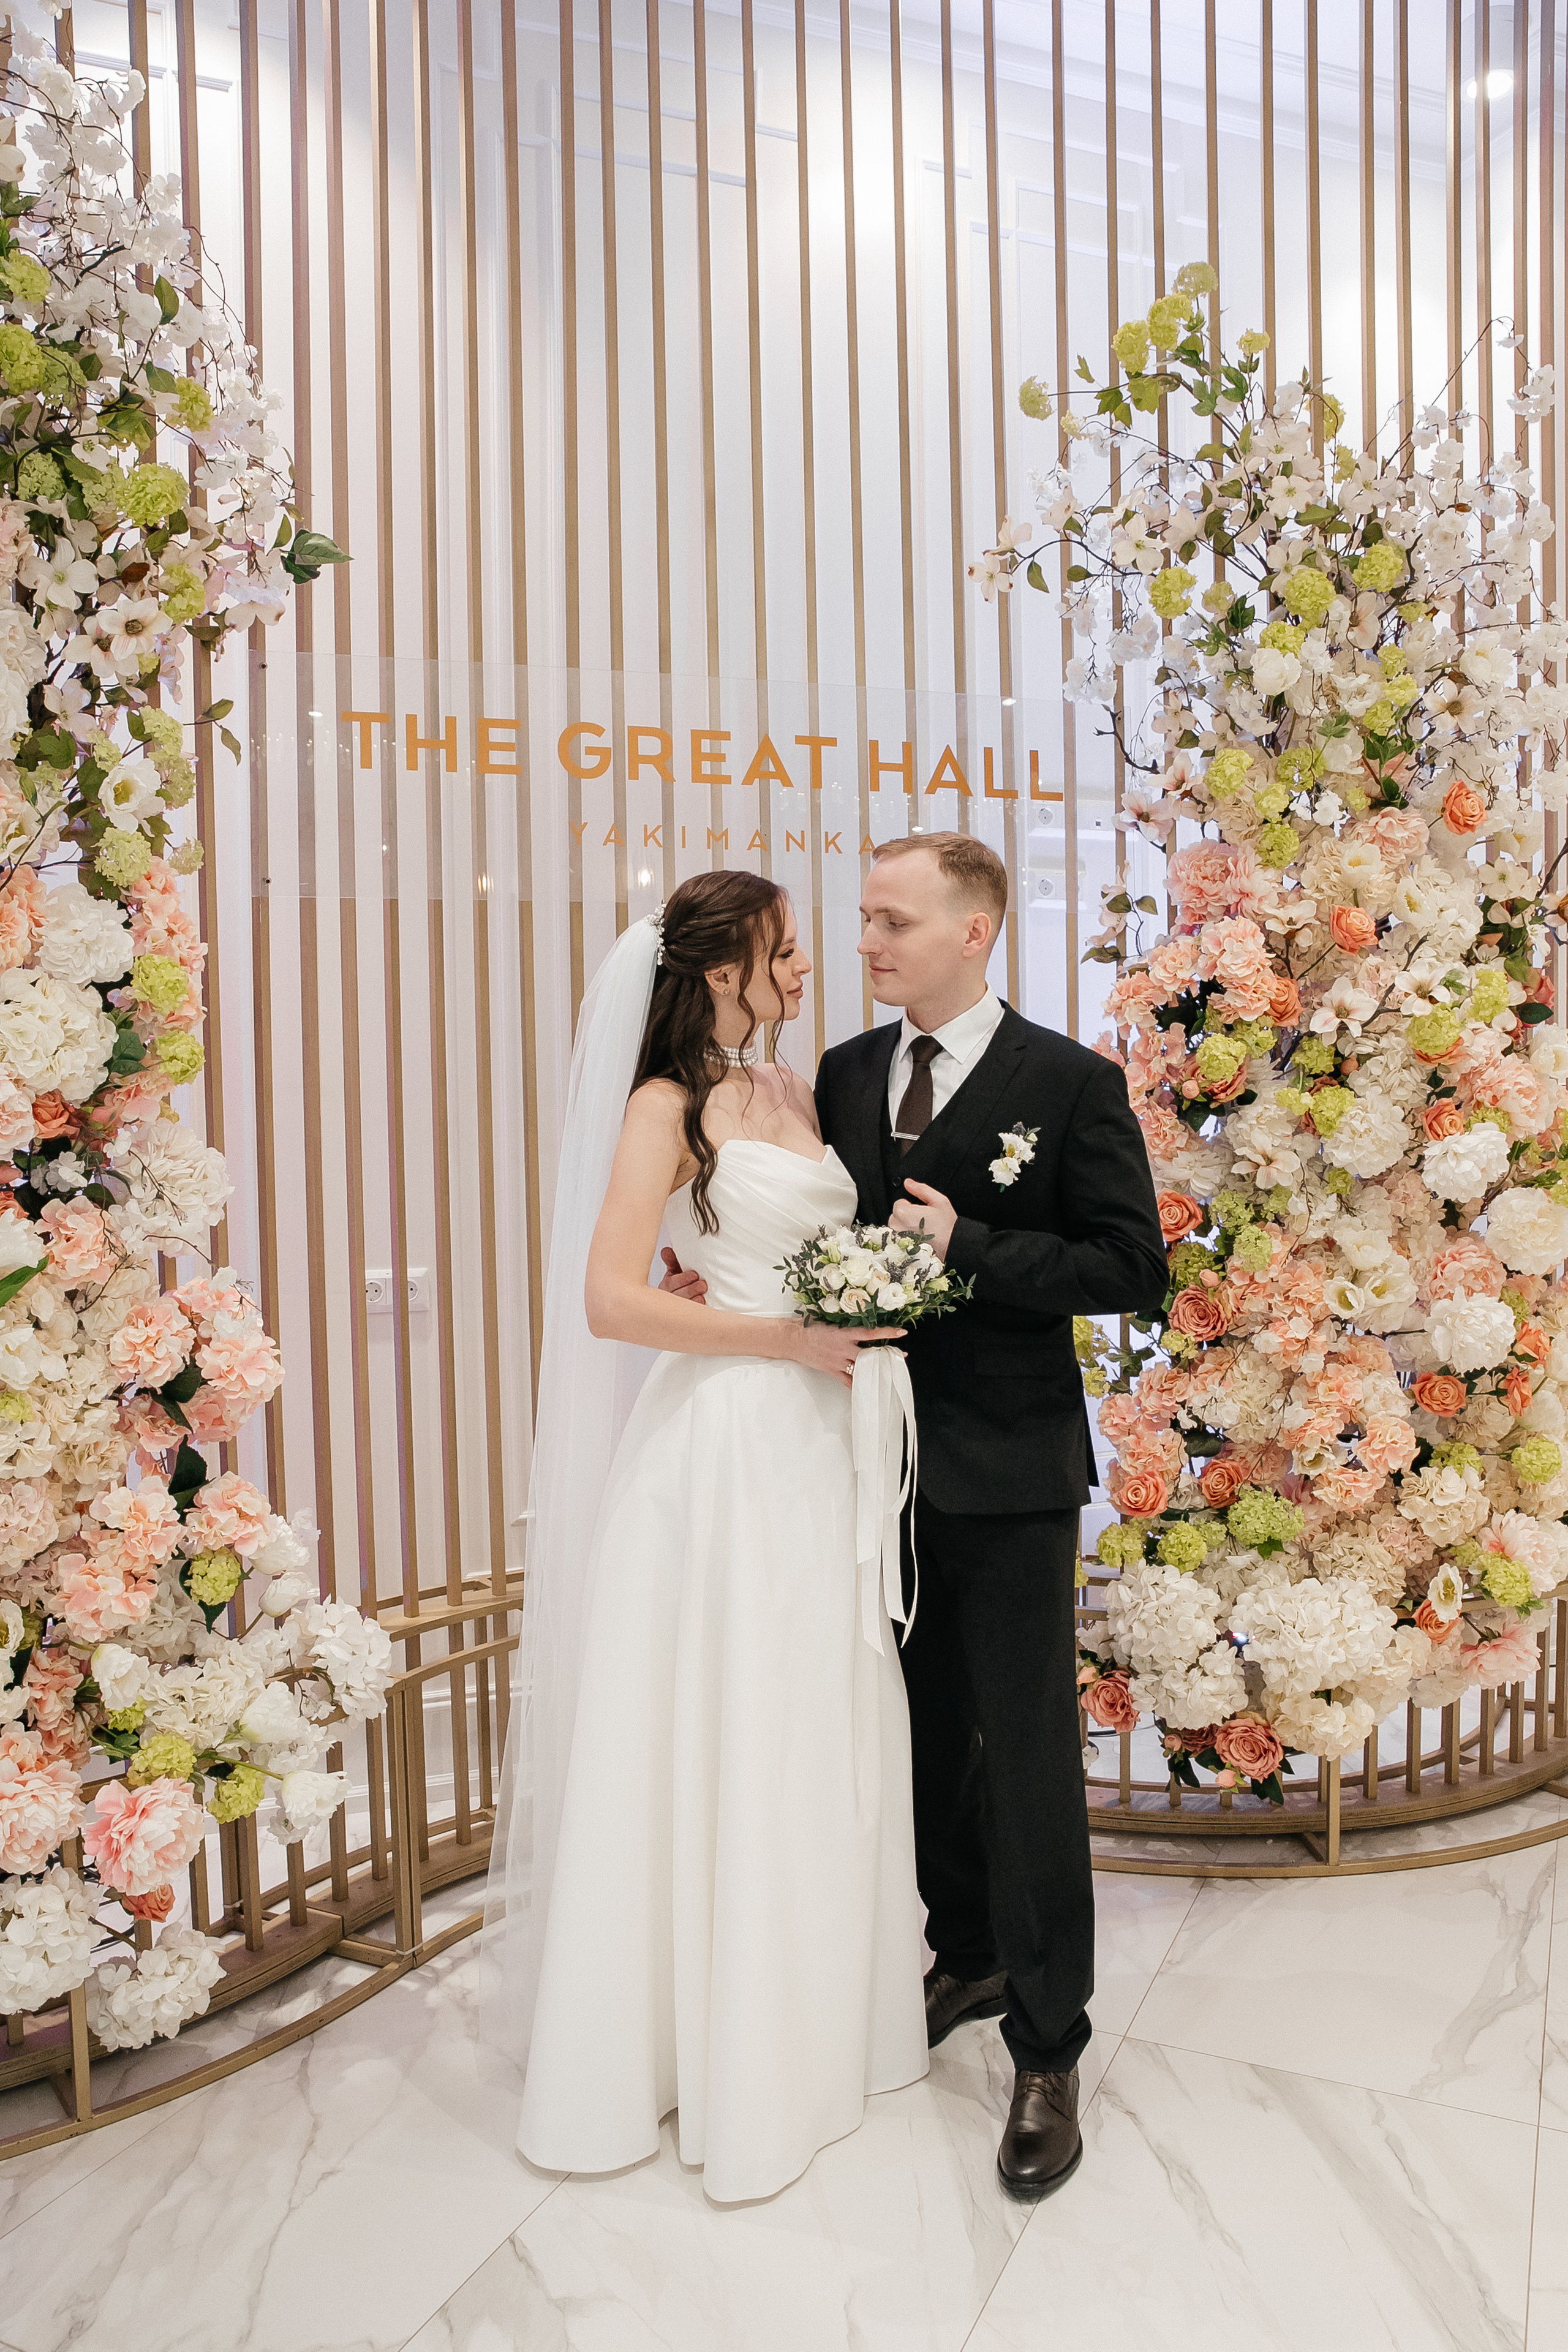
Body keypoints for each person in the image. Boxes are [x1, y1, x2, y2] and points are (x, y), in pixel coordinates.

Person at [669, 832, 1166, 2200]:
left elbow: (1131, 1267)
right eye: (864, 920)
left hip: (1004, 1475)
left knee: (1023, 1755)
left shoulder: (1065, 1082)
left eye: (892, 921)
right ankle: (965, 1950)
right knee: (913, 1730)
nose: (866, 944)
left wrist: (976, 1249)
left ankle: (1049, 2044)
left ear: (974, 930)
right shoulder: (838, 1074)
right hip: (849, 1463)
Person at [484, 869, 928, 2206]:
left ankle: (803, 2029)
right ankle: (690, 2052)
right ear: (719, 968)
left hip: (818, 1442)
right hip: (728, 1445)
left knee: (806, 1720)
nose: (805, 967)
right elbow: (612, 1302)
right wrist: (780, 1335)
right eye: (781, 951)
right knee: (721, 1720)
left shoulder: (795, 1093)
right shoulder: (662, 1106)